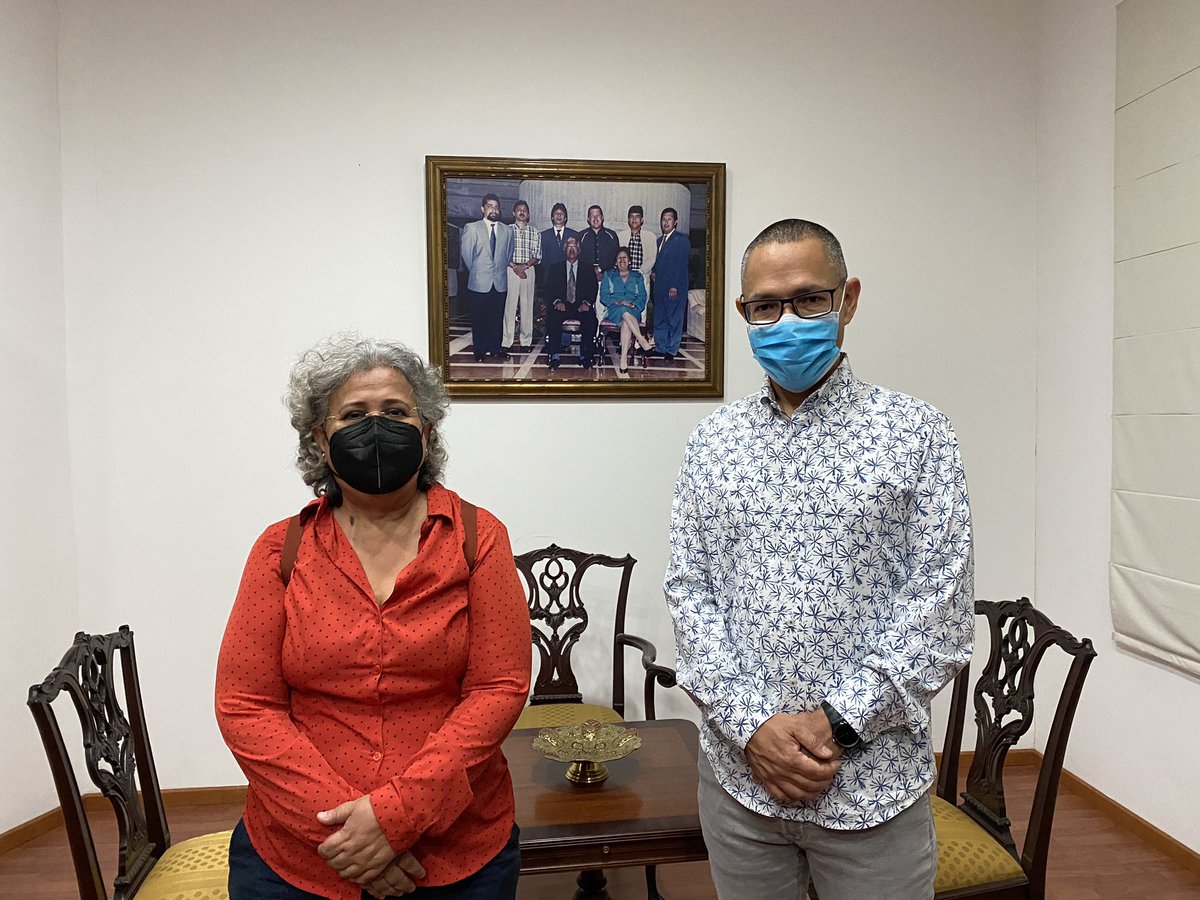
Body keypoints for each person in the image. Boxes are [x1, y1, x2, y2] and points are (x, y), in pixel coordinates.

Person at [664, 219, 974, 900]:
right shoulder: (712, 442)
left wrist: (833, 724)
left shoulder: (917, 435)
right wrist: (753, 728)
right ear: (742, 313)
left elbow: (940, 611)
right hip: (741, 784)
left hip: (871, 788)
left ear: (847, 300)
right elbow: (690, 593)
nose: (786, 322)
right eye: (765, 307)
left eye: (808, 300)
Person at [216, 334, 530, 900]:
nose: (376, 427)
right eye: (354, 415)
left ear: (426, 431)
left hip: (455, 849)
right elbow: (245, 705)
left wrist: (393, 817)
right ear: (321, 437)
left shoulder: (479, 538)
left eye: (396, 412)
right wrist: (350, 837)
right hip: (301, 854)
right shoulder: (279, 550)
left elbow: (499, 687)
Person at [459, 194, 514, 361]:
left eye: (496, 207)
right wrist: (478, 271)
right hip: (479, 281)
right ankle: (480, 350)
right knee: (479, 318)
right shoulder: (472, 228)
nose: (493, 210)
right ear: (483, 209)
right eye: (490, 206)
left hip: (500, 282)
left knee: (497, 317)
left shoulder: (507, 231)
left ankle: (496, 348)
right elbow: (467, 255)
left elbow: (508, 255)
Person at [543, 236, 598, 371]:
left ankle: (585, 356)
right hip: (562, 305)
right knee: (553, 318)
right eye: (569, 247)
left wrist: (586, 303)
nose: (572, 250)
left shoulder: (587, 268)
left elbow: (593, 288)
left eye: (574, 247)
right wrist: (557, 302)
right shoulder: (555, 268)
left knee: (591, 320)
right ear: (564, 249)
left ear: (579, 250)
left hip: (581, 306)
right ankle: (554, 357)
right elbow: (548, 289)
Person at [599, 247, 652, 374]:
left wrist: (633, 304)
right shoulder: (609, 275)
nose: (622, 260)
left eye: (625, 258)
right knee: (622, 309)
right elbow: (604, 296)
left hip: (633, 309)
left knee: (625, 321)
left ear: (629, 261)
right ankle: (641, 339)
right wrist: (617, 302)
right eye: (619, 258)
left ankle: (623, 360)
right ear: (615, 262)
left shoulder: (637, 276)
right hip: (614, 309)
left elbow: (642, 296)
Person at [650, 207, 691, 359]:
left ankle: (671, 350)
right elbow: (658, 262)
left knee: (674, 319)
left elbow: (681, 265)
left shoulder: (681, 240)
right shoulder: (659, 241)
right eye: (664, 219)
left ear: (675, 222)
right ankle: (660, 348)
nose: (666, 222)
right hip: (659, 288)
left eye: (669, 219)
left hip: (674, 288)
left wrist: (674, 286)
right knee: (660, 318)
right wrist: (654, 271)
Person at [504, 200, 540, 353]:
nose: (522, 211)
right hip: (510, 269)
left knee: (527, 306)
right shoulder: (506, 230)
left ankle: (526, 341)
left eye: (525, 209)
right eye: (519, 209)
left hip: (528, 269)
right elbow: (502, 253)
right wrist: (515, 267)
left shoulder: (535, 232)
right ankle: (506, 341)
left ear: (528, 214)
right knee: (509, 305)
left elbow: (537, 255)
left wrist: (524, 266)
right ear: (514, 213)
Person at [616, 205, 657, 319]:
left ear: (642, 220)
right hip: (624, 279)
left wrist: (640, 272)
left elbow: (652, 258)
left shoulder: (650, 237)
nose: (634, 219)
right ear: (628, 220)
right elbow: (618, 257)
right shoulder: (621, 236)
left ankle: (638, 330)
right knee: (624, 309)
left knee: (641, 311)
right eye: (631, 217)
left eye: (637, 217)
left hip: (642, 277)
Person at [577, 204, 619, 285]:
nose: (595, 218)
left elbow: (614, 257)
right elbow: (579, 258)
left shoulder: (612, 235)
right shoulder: (581, 236)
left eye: (598, 215)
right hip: (586, 277)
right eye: (592, 216)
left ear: (602, 217)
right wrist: (591, 272)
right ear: (588, 219)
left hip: (608, 277)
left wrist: (601, 270)